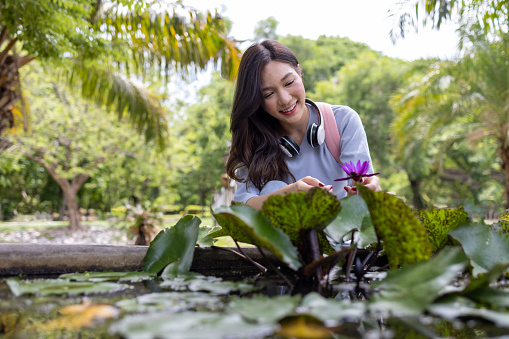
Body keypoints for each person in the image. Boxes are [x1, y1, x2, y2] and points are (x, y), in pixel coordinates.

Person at [226, 40, 381, 210]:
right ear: (257, 101)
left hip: (342, 233)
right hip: (282, 235)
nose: (285, 99)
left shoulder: (343, 121)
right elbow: (241, 207)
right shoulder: (253, 138)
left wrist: (365, 191)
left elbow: (364, 186)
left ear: (299, 73)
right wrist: (289, 194)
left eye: (289, 83)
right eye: (269, 94)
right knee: (273, 188)